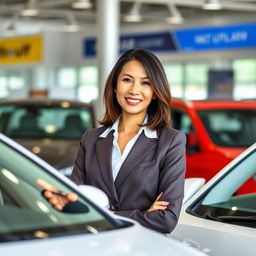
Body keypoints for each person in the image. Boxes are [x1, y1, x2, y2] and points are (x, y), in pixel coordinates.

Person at [37, 48, 186, 234]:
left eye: (145, 83)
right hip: (93, 245)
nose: (134, 90)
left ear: (155, 92)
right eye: (127, 80)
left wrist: (107, 214)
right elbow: (75, 203)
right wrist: (141, 214)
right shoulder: (91, 139)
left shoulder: (170, 141)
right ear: (115, 85)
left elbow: (166, 220)